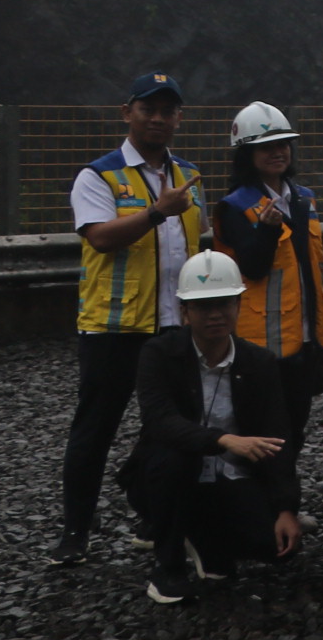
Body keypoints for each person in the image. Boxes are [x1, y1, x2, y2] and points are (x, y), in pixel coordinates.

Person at [54, 71, 207, 567]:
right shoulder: (98, 176)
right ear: (128, 113)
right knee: (95, 429)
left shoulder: (188, 177)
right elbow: (99, 237)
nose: (159, 118)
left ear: (179, 117)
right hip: (113, 329)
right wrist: (157, 213)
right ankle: (75, 530)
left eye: (168, 110)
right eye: (149, 109)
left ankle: (151, 513)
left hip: (171, 326)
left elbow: (197, 241)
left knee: (166, 427)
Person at [124, 252, 305, 604]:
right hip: (168, 476)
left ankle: (206, 541)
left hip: (228, 479)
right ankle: (169, 564)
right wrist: (223, 440)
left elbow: (278, 437)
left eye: (224, 303)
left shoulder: (260, 363)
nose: (216, 314)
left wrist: (287, 509)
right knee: (174, 459)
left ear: (239, 306)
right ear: (184, 312)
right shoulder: (158, 354)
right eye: (204, 306)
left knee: (275, 548)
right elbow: (160, 421)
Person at [214, 102, 323, 451]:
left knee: (296, 426)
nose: (278, 152)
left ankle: (286, 501)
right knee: (263, 428)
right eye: (266, 147)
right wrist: (265, 232)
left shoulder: (303, 199)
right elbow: (250, 268)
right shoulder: (235, 206)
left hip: (304, 334)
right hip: (261, 341)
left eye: (282, 144)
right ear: (246, 154)